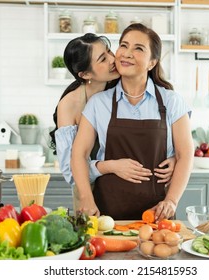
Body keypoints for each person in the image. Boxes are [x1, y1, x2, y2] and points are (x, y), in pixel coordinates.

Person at [71, 24, 194, 221]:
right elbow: (78, 155)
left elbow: (185, 154)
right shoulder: (98, 103)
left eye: (138, 48)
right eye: (123, 45)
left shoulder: (172, 101)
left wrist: (171, 201)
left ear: (152, 62)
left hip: (157, 215)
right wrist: (86, 198)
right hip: (106, 216)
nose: (127, 53)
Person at [50, 33, 176, 211]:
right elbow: (70, 172)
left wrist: (172, 158)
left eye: (109, 51)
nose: (112, 59)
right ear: (85, 74)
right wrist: (110, 166)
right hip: (89, 195)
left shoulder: (120, 87)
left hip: (136, 194)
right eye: (102, 59)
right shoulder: (70, 105)